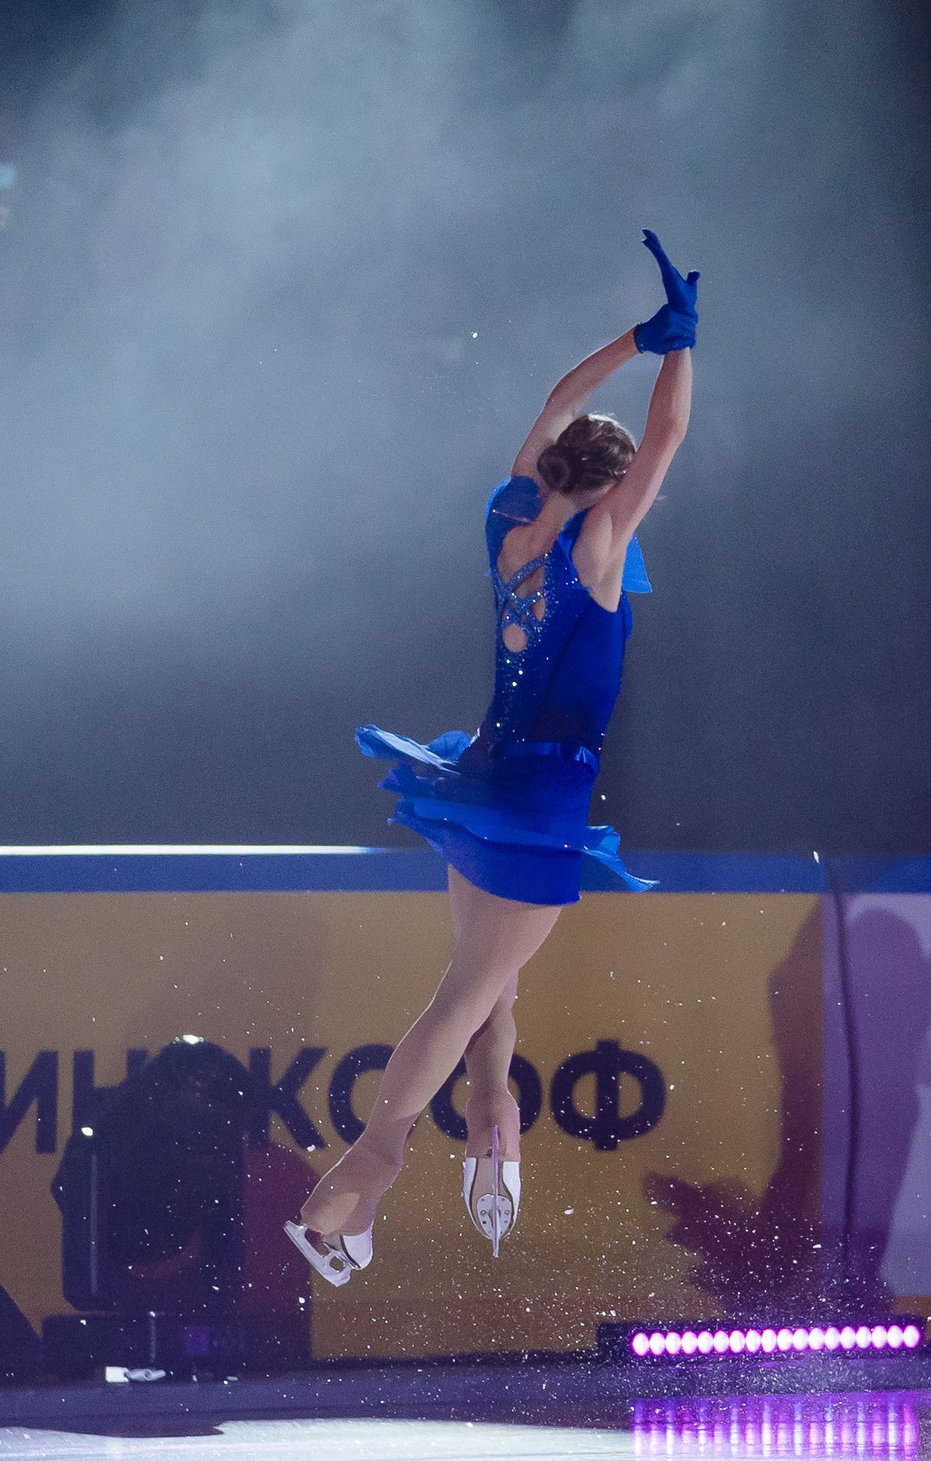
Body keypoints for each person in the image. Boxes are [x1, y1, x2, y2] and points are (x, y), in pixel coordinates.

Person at [284, 231, 698, 1286]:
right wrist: (679, 354)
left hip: (482, 779)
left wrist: (638, 340)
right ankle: (362, 1174)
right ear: (610, 493)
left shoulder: (510, 511)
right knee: (469, 994)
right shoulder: (596, 551)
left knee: (495, 997)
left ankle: (493, 1134)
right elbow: (668, 439)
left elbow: (562, 397)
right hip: (539, 798)